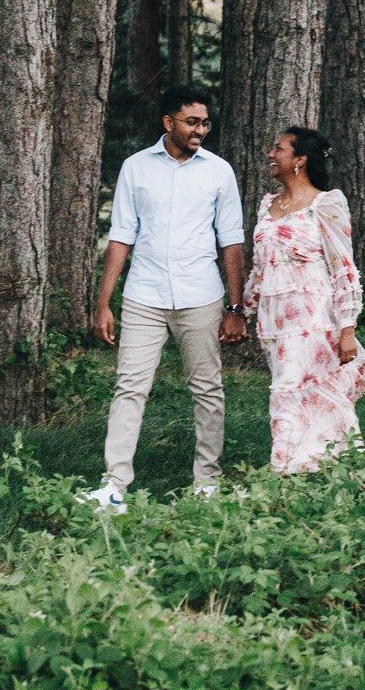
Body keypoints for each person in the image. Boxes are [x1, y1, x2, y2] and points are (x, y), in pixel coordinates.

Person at [79, 86, 247, 513]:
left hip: (201, 295)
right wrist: (103, 303)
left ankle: (207, 481)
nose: (200, 130)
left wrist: (235, 308)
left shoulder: (219, 171)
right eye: (192, 122)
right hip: (144, 295)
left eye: (205, 123)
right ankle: (114, 486)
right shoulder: (136, 167)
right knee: (129, 388)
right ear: (168, 122)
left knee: (207, 389)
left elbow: (231, 243)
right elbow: (121, 235)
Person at [244, 126, 365, 475]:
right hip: (274, 321)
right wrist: (240, 311)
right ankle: (329, 460)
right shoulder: (268, 205)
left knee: (292, 389)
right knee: (296, 389)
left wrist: (347, 328)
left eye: (278, 149)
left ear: (300, 160)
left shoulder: (326, 203)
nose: (270, 155)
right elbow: (260, 267)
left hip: (312, 318)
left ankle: (288, 465)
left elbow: (344, 268)